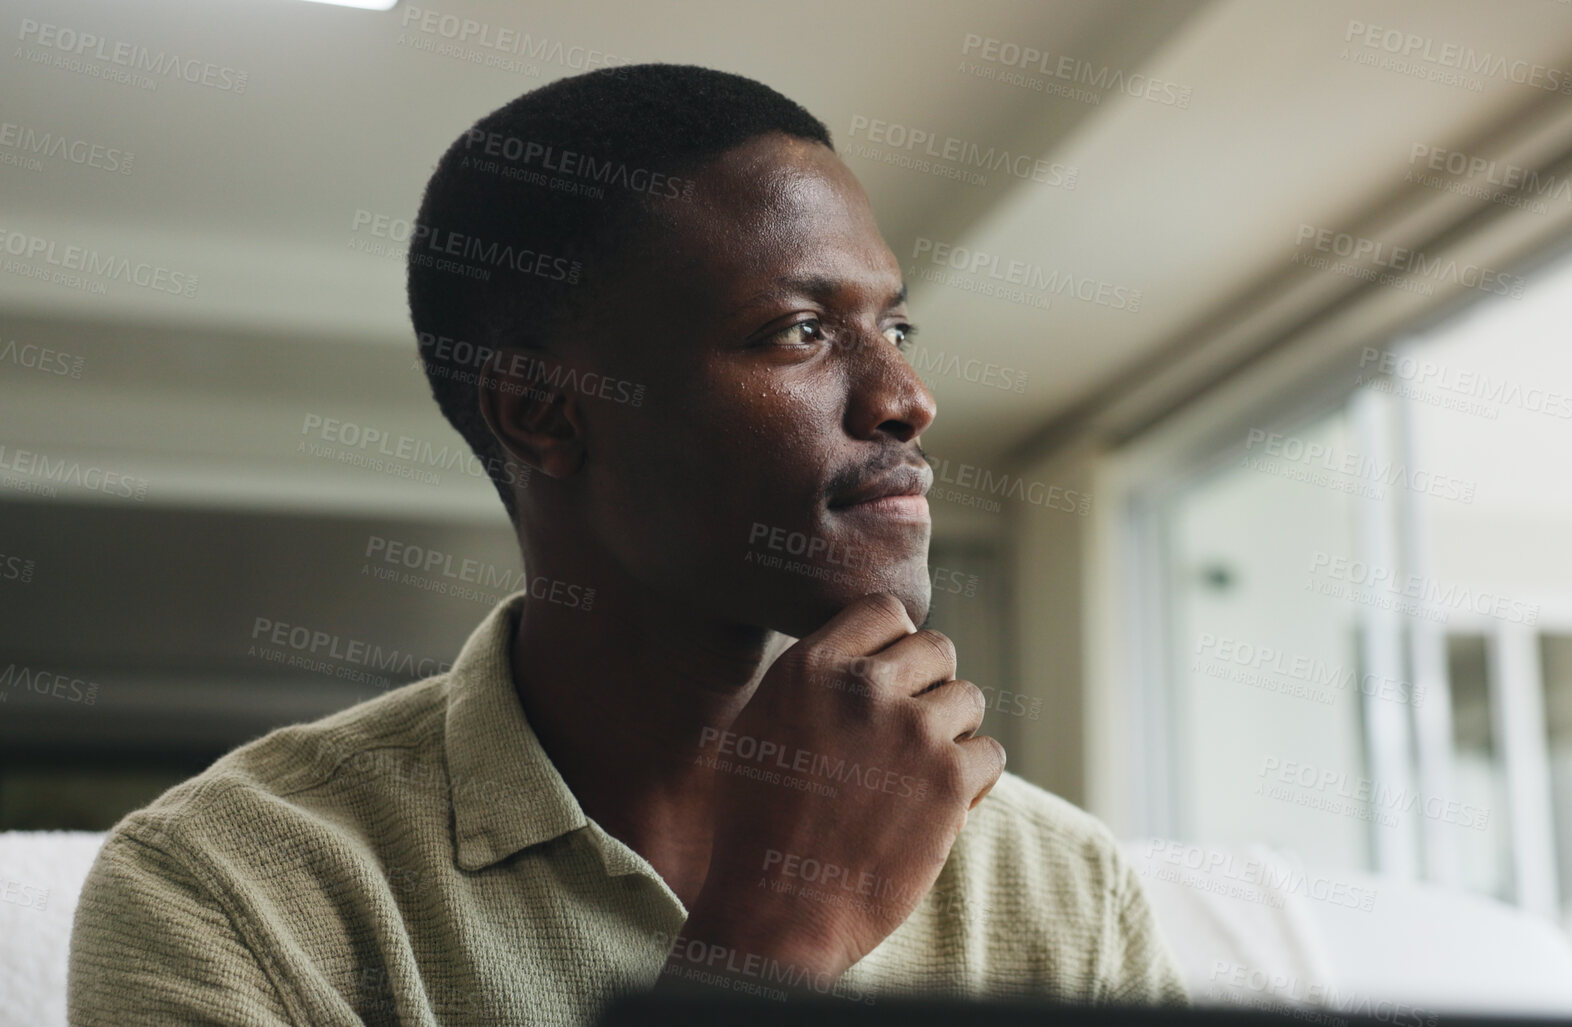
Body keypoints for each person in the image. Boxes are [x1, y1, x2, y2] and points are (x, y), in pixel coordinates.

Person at [67, 63, 1187, 1025]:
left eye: (893, 327)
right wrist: (771, 946)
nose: (906, 396)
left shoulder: (1061, 886)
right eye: (798, 330)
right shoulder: (227, 890)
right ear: (546, 414)